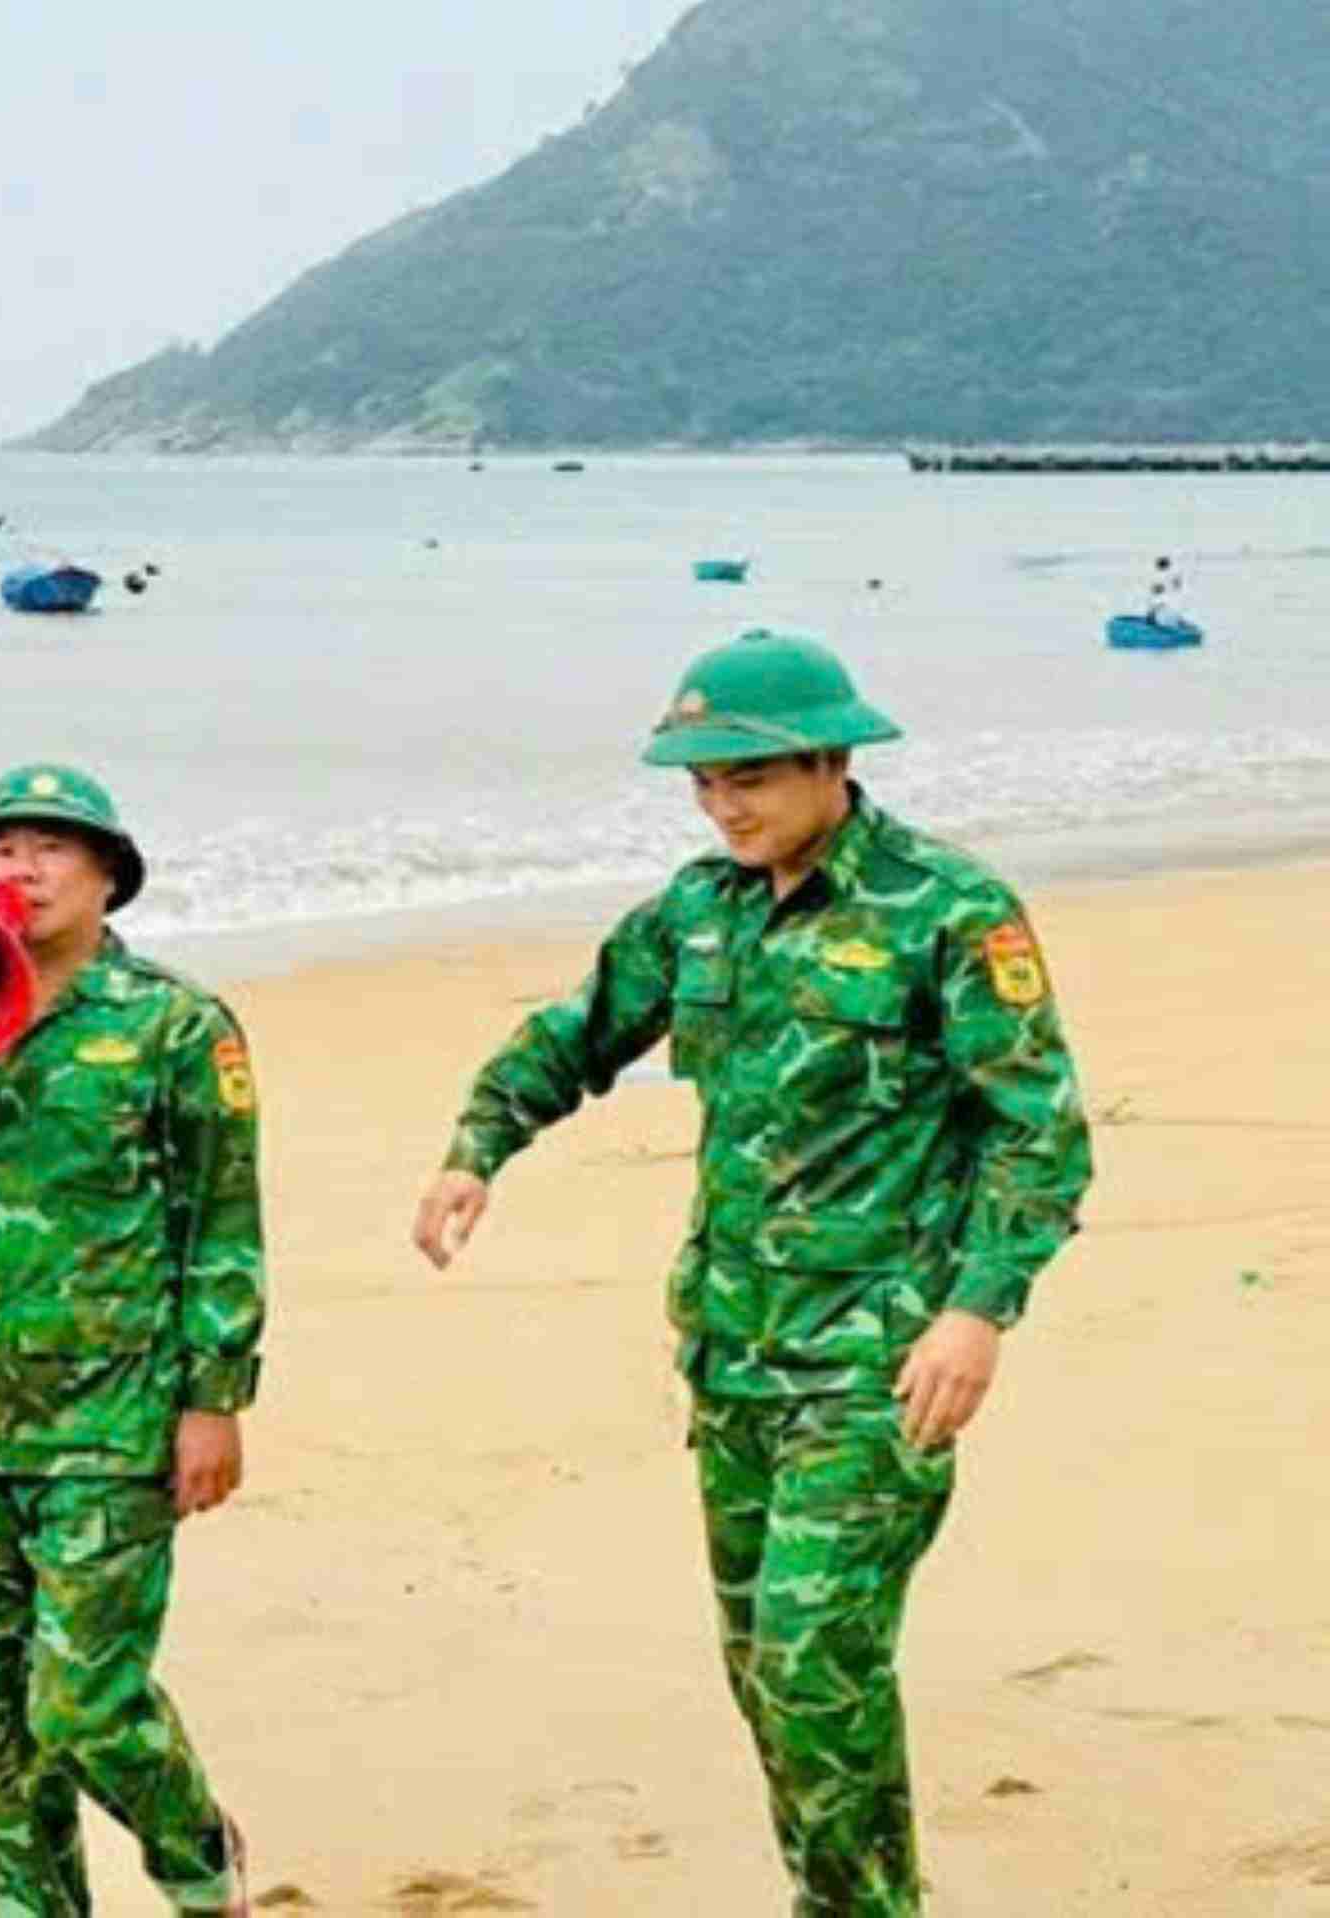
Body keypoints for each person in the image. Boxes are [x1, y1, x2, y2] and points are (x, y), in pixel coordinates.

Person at [409, 631, 1093, 1916]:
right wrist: (478, 1146)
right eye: (703, 783)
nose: (724, 806)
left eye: (751, 778)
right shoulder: (697, 909)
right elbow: (581, 1030)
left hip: (879, 1363)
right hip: (732, 1351)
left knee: (811, 1657)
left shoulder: (949, 909)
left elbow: (1039, 1132)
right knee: (762, 1667)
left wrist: (976, 1311)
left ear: (833, 760)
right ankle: (855, 1894)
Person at [0, 764, 264, 1918]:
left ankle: (197, 1858)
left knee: (83, 1708)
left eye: (46, 849)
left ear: (107, 877)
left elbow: (222, 1219)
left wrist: (213, 1401)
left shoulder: (174, 1025)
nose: (14, 872)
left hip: (110, 1421)